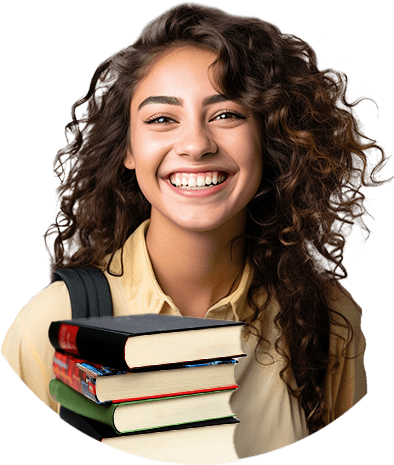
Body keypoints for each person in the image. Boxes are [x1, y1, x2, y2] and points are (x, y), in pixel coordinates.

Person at [1, 2, 388, 460]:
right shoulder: (47, 328)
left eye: (226, 114)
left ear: (269, 138)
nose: (196, 144)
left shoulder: (327, 322)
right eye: (162, 119)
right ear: (127, 148)